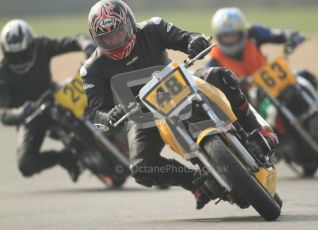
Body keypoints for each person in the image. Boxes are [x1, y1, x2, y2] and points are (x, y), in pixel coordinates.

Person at [82, 0, 277, 209]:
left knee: (223, 76)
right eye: (107, 38)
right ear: (97, 38)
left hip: (179, 84)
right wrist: (109, 116)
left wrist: (195, 42)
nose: (115, 41)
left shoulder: (153, 27)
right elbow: (95, 113)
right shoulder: (91, 69)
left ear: (130, 24)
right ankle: (195, 184)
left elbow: (186, 38)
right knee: (140, 168)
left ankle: (256, 130)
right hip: (141, 114)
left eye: (118, 33)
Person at [0, 19, 95, 181]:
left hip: (55, 96)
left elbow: (72, 40)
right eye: (15, 57)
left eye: (24, 54)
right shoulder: (3, 73)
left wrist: (85, 44)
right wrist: (19, 113)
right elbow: (3, 112)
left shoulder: (41, 46)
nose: (21, 60)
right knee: (26, 164)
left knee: (92, 89)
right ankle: (63, 158)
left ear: (31, 45)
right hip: (31, 115)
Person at [206, 7, 318, 89]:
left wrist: (291, 35)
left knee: (307, 77)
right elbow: (210, 84)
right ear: (218, 36)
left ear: (242, 33)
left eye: (233, 35)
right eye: (226, 36)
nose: (230, 39)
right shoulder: (214, 58)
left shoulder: (253, 32)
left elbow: (276, 34)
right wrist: (234, 83)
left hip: (273, 78)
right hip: (248, 99)